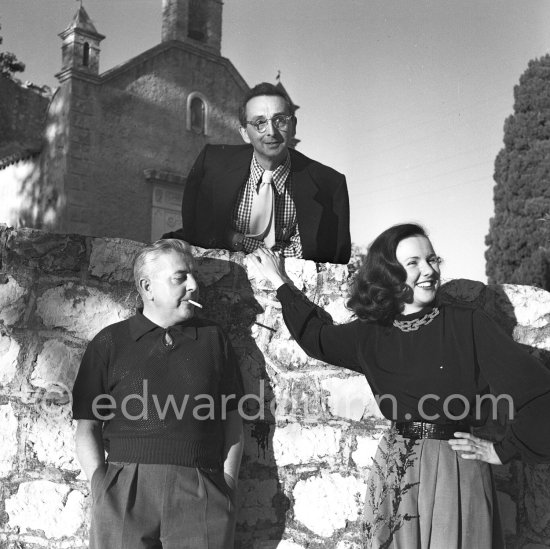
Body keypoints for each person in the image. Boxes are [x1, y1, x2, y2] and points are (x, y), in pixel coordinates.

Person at [250, 223, 550, 548]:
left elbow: (538, 393)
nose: (429, 270)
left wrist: (503, 450)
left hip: (455, 469)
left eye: (432, 260)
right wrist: (280, 282)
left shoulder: (468, 324)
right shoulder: (371, 334)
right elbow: (317, 337)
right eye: (414, 263)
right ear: (390, 274)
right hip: (395, 467)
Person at [72, 239, 244, 549]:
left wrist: (227, 486)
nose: (193, 285)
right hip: (125, 492)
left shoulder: (214, 340)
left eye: (194, 276)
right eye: (180, 277)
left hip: (202, 491)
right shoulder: (109, 343)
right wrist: (102, 486)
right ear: (147, 286)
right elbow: (87, 426)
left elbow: (233, 419)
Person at [167, 82, 351, 264]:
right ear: (245, 133)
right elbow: (197, 231)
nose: (271, 131)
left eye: (280, 120)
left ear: (293, 126)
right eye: (259, 122)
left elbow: (332, 258)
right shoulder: (211, 164)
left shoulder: (330, 184)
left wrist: (238, 240)